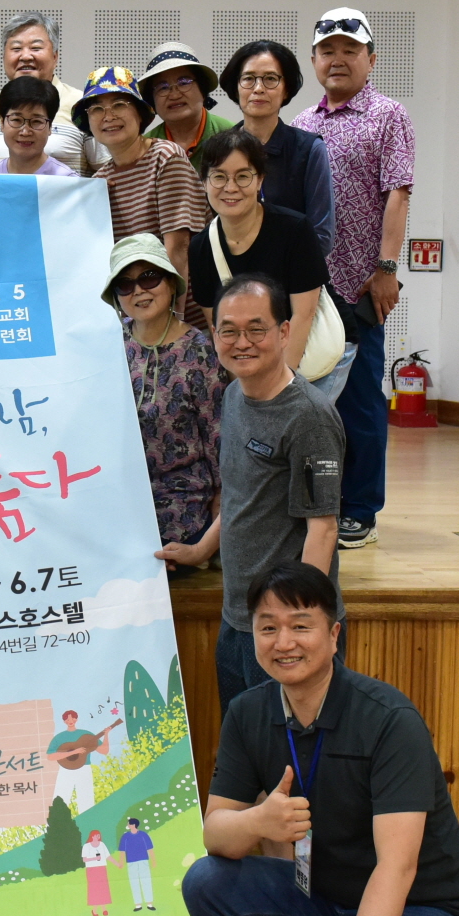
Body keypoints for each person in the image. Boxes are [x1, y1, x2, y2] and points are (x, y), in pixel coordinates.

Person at [182, 560, 459, 916]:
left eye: (301, 625)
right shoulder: (249, 713)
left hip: (426, 911)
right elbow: (216, 834)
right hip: (327, 899)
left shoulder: (388, 719)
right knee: (207, 881)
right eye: (268, 627)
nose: (284, 642)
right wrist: (258, 820)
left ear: (334, 634)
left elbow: (398, 866)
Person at [160, 273, 343, 708]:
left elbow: (323, 530)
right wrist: (199, 551)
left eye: (256, 329)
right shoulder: (234, 397)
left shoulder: (308, 417)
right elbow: (242, 496)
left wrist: (296, 628)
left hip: (286, 632)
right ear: (215, 335)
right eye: (229, 331)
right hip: (240, 619)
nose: (242, 343)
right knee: (245, 739)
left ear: (284, 332)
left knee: (295, 748)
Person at [292, 9, 414, 552]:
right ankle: (315, 504)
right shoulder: (302, 123)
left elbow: (398, 194)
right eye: (327, 51)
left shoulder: (389, 116)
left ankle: (360, 509)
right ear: (314, 60)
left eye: (349, 50)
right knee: (309, 400)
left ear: (371, 58)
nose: (337, 59)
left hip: (361, 287)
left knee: (361, 401)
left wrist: (387, 269)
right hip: (308, 287)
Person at [186, 125, 346, 399]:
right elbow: (221, 331)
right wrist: (245, 392)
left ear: (260, 180)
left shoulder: (294, 229)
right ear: (204, 182)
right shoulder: (200, 248)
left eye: (243, 176)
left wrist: (279, 388)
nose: (230, 188)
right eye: (219, 177)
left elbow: (303, 315)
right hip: (256, 360)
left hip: (311, 353)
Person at [103, 236, 222, 565]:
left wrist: (221, 504)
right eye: (125, 284)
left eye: (149, 277)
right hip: (118, 492)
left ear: (170, 283)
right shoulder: (109, 342)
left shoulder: (198, 349)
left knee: (149, 561)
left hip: (182, 497)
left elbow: (218, 434)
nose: (138, 291)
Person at [217, 38, 335, 260]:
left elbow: (321, 236)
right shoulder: (218, 150)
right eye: (248, 79)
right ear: (236, 87)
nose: (258, 89)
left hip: (293, 277)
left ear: (286, 89)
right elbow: (210, 227)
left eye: (270, 79)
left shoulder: (310, 150)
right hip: (229, 274)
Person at [79, 66, 201, 273]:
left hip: (175, 289)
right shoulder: (100, 180)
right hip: (130, 290)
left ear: (140, 114)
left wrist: (172, 296)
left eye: (119, 105)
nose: (108, 116)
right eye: (97, 109)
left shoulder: (165, 157)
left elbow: (179, 248)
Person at [0, 13, 103, 172]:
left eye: (36, 48)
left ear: (55, 56)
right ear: (3, 57)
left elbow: (104, 174)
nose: (25, 56)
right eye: (16, 48)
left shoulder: (83, 105)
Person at [140, 41, 234, 173]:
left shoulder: (232, 135)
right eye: (163, 87)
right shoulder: (144, 149)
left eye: (184, 83)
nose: (174, 95)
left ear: (202, 90)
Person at [0, 77, 77, 177]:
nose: (25, 132)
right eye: (16, 120)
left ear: (50, 126)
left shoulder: (67, 180)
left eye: (36, 121)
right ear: (1, 123)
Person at [119, 817, 157, 911]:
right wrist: (121, 862)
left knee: (146, 881)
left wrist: (153, 860)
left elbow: (150, 848)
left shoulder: (143, 835)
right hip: (131, 862)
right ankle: (138, 904)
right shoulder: (125, 837)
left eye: (129, 824)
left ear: (133, 825)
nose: (128, 825)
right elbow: (122, 851)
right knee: (134, 882)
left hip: (143, 861)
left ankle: (149, 903)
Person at [82, 829, 113, 916]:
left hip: (102, 868)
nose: (98, 837)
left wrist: (117, 864)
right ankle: (94, 910)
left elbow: (108, 856)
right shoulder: (86, 846)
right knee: (94, 889)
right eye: (96, 835)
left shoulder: (102, 845)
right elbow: (84, 859)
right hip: (91, 869)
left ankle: (104, 909)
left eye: (99, 835)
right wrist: (95, 858)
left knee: (103, 888)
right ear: (92, 836)